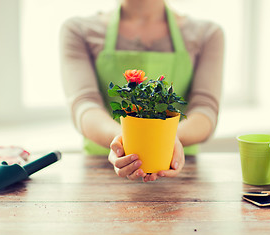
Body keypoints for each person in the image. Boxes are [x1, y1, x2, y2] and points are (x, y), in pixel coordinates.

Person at [60, 0, 224, 182]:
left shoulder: (206, 34)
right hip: (100, 171)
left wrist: (168, 139)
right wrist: (123, 143)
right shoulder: (79, 30)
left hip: (180, 172)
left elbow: (206, 109)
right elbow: (84, 105)